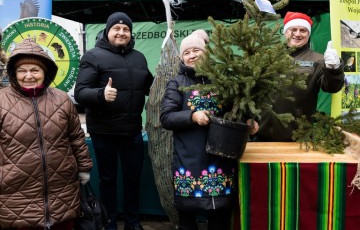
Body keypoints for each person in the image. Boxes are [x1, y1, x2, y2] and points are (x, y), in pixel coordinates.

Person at [160, 30, 259, 230]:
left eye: (197, 50)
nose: (192, 55)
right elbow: (166, 117)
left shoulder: (222, 81)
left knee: (220, 217)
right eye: (187, 52)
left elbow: (237, 108)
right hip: (189, 159)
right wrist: (192, 116)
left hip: (220, 159)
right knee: (187, 218)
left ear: (207, 53)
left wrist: (249, 120)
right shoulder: (177, 83)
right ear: (181, 58)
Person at [0, 38, 93, 230]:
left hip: (62, 190)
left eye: (35, 70)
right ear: (13, 73)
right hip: (15, 195)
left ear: (45, 71)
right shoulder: (1, 101)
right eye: (21, 70)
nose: (28, 76)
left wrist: (84, 167)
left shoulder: (61, 98)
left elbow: (76, 137)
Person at [74, 12, 154, 230]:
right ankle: (109, 223)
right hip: (104, 132)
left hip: (132, 131)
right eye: (116, 29)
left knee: (133, 179)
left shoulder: (139, 57)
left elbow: (148, 86)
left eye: (126, 29)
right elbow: (80, 92)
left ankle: (133, 223)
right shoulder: (93, 56)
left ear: (130, 33)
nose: (121, 32)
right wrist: (101, 94)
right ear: (107, 32)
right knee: (108, 180)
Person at [255, 11, 345, 142]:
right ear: (285, 32)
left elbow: (332, 87)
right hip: (262, 133)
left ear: (308, 34)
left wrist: (333, 69)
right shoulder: (268, 56)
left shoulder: (318, 60)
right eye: (293, 29)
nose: (297, 34)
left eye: (303, 30)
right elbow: (250, 89)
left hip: (298, 135)